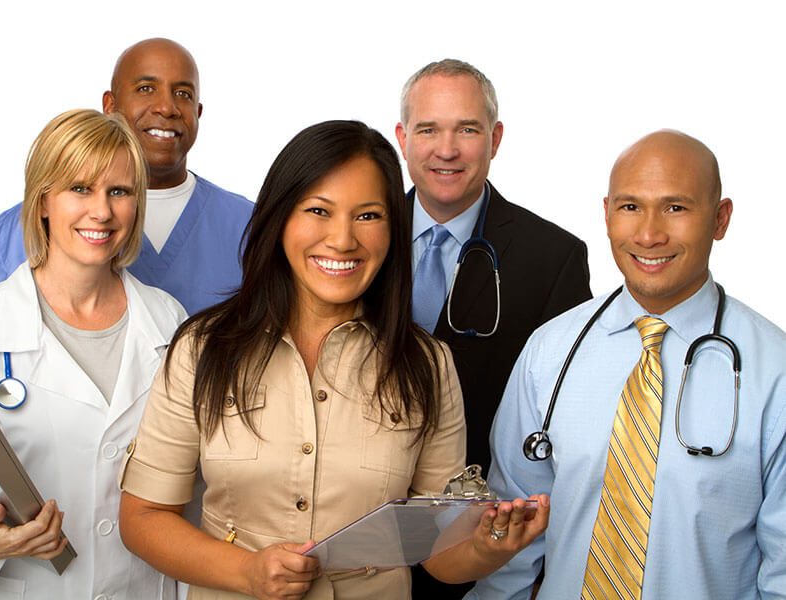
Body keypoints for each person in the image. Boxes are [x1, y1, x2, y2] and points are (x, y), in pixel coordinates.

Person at [117, 120, 549, 599]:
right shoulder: (203, 348)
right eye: (319, 210)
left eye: (368, 216)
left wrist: (490, 547)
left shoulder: (426, 365)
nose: (343, 240)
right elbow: (143, 519)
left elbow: (441, 552)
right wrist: (247, 572)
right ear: (280, 218)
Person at [473, 130, 786, 599]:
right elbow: (507, 545)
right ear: (606, 214)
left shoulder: (774, 370)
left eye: (676, 207)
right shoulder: (550, 352)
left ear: (720, 219)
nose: (649, 234)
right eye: (630, 207)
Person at [0, 109, 185, 599]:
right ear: (43, 200)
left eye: (120, 191)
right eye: (80, 189)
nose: (102, 211)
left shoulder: (169, 323)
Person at [394, 59, 592, 598]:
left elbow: (561, 428)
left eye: (467, 129)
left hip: (482, 546)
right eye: (429, 129)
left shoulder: (552, 259)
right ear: (402, 137)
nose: (447, 149)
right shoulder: (356, 237)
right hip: (354, 536)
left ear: (495, 138)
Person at [0, 38, 253, 323]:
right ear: (109, 105)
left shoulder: (250, 227)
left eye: (182, 94)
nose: (166, 107)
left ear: (198, 112)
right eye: (145, 88)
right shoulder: (19, 229)